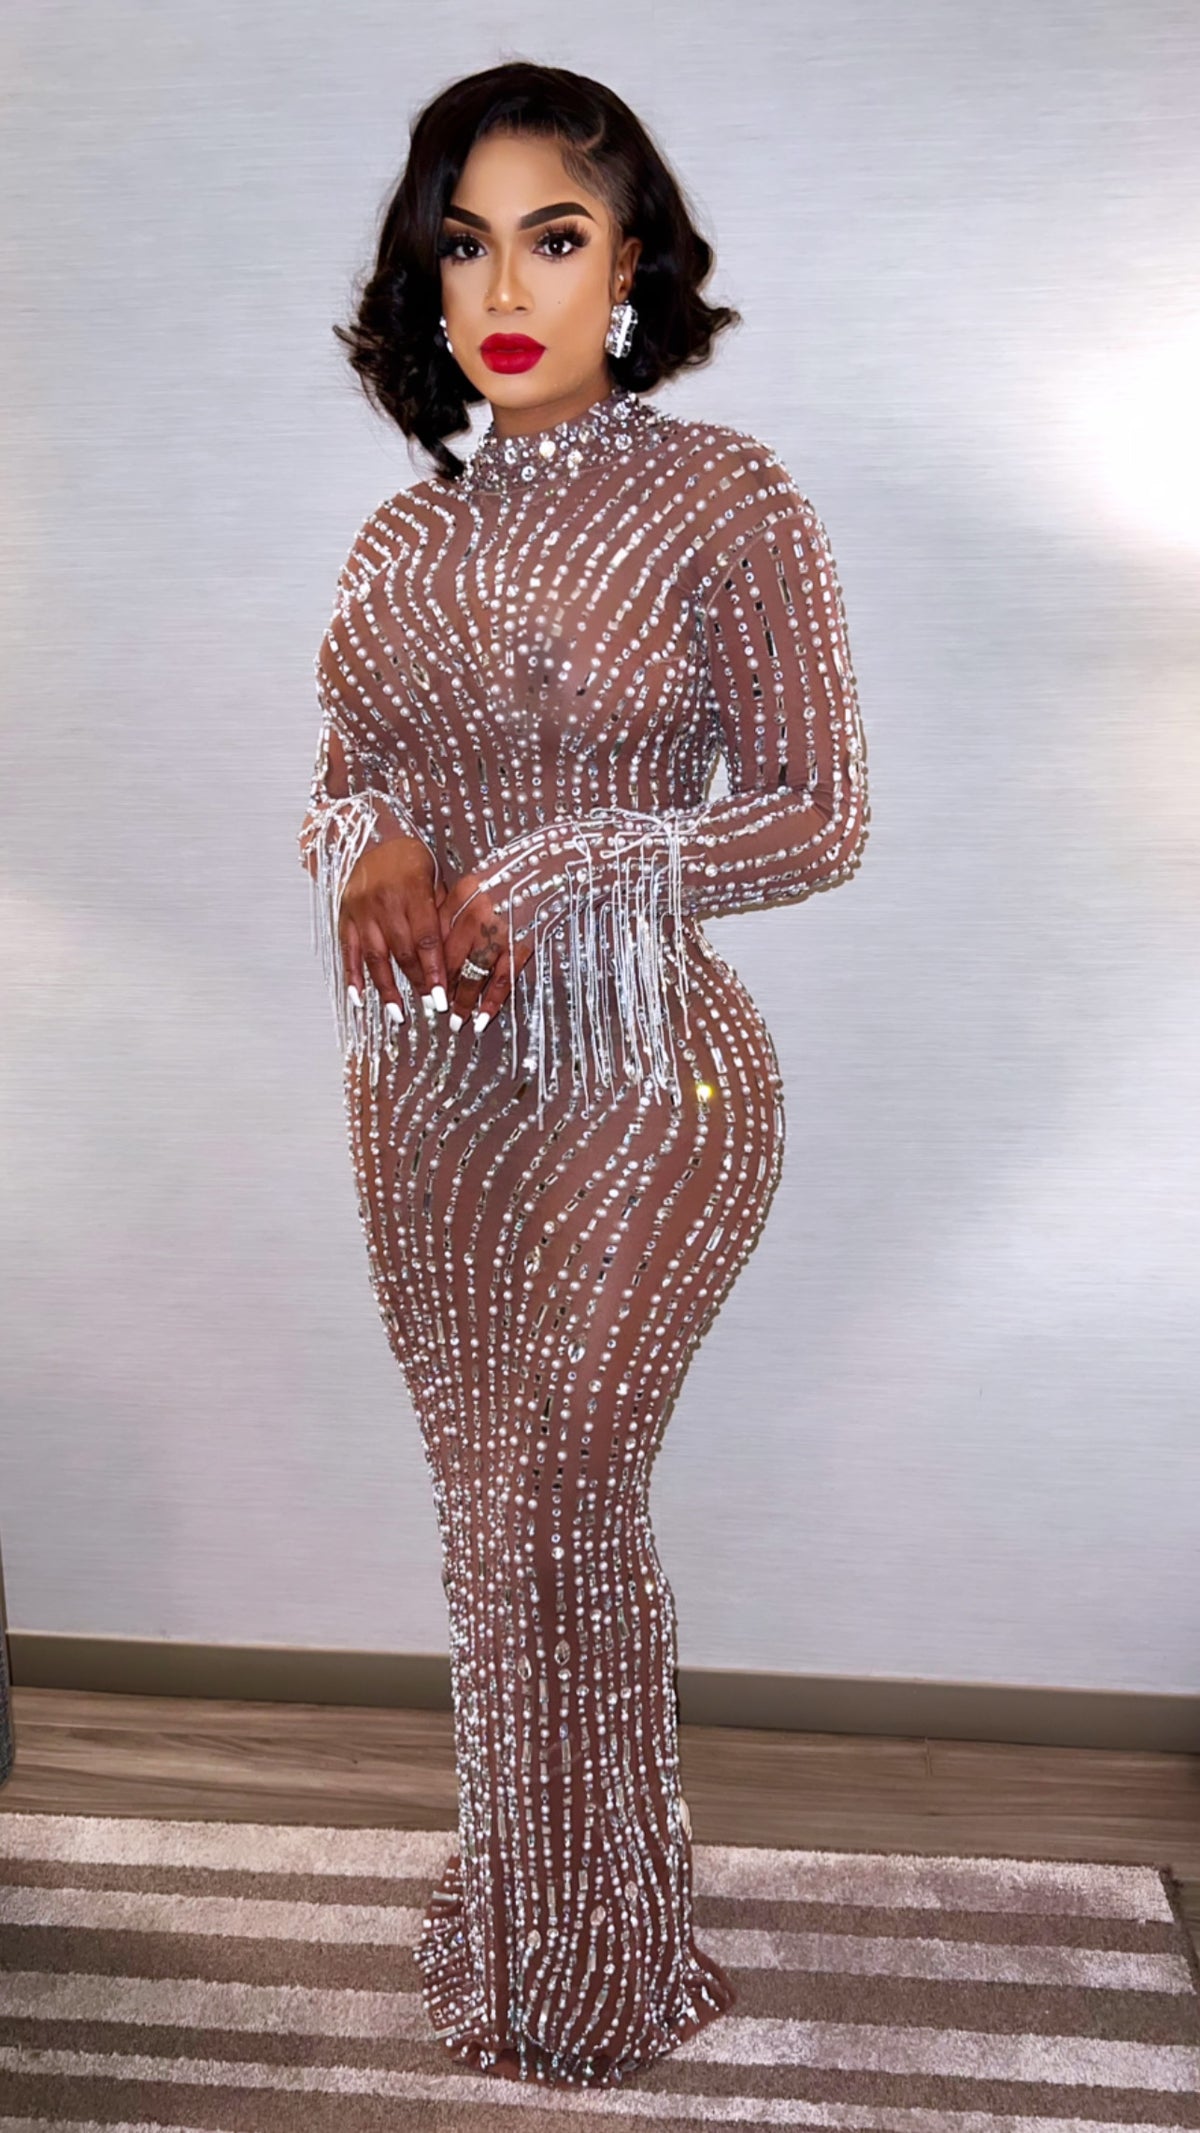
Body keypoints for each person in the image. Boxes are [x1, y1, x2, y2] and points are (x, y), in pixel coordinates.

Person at [298, 59, 870, 2089]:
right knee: (491, 1507)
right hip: (428, 1088)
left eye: (554, 237)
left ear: (631, 266)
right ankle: (539, 1911)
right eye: (465, 244)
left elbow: (817, 813)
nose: (506, 286)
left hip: (651, 1078)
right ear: (426, 279)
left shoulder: (727, 493)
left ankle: (601, 1952)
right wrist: (367, 839)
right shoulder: (398, 536)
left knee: (560, 1486)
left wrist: (573, 864)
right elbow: (347, 773)